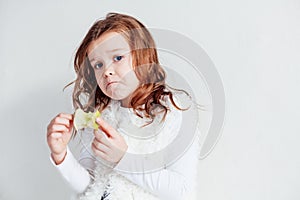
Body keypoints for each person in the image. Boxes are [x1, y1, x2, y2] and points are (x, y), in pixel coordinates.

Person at [46, 12, 200, 200]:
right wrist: (61, 154)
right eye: (98, 65)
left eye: (118, 58)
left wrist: (124, 159)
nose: (107, 71)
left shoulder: (171, 113)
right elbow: (90, 186)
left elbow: (183, 191)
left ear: (142, 56)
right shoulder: (100, 115)